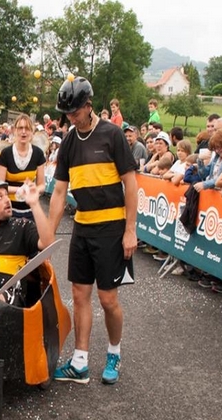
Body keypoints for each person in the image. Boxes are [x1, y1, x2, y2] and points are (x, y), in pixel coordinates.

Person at [49, 76, 138, 386]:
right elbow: (59, 192)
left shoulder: (112, 135)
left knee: (108, 299)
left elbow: (131, 184)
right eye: (67, 114)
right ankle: (80, 362)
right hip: (82, 226)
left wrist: (130, 230)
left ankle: (114, 352)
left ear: (88, 106)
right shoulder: (69, 143)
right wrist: (48, 234)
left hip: (111, 228)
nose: (71, 118)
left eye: (75, 112)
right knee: (79, 294)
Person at [0, 114, 46, 220]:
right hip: (9, 210)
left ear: (32, 131)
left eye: (27, 128)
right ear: (14, 130)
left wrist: (34, 190)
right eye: (20, 128)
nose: (23, 132)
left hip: (31, 210)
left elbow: (41, 185)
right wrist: (19, 190)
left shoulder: (38, 154)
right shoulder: (5, 154)